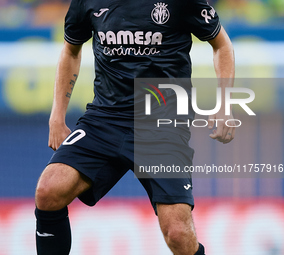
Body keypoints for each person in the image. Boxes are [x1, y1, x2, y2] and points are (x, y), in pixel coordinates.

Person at [34, 0, 235, 254]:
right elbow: (71, 51)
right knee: (48, 190)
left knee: (178, 234)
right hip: (106, 117)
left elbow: (222, 45)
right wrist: (57, 117)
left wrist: (225, 104)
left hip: (162, 123)